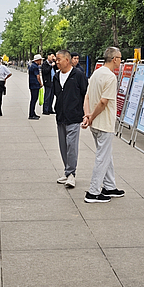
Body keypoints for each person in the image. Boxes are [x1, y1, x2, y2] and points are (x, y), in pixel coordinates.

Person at [81, 47, 125, 203]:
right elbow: (103, 102)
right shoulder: (111, 77)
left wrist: (88, 116)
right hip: (104, 122)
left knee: (106, 155)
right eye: (120, 58)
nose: (121, 61)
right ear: (114, 59)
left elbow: (87, 97)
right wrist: (91, 116)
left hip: (95, 123)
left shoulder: (96, 73)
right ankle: (93, 192)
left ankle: (110, 186)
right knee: (102, 157)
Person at [53, 49, 87, 188]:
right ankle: (67, 172)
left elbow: (85, 94)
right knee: (63, 146)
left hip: (74, 116)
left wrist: (85, 113)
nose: (56, 62)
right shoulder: (56, 76)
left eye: (58, 59)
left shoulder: (78, 75)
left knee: (71, 145)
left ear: (67, 60)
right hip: (60, 116)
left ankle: (71, 173)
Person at [27, 54, 43, 120]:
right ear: (37, 60)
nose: (41, 62)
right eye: (40, 60)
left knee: (33, 99)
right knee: (34, 99)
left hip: (32, 84)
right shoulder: (35, 67)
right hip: (35, 85)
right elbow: (38, 76)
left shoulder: (32, 66)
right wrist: (41, 83)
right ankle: (31, 114)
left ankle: (33, 113)